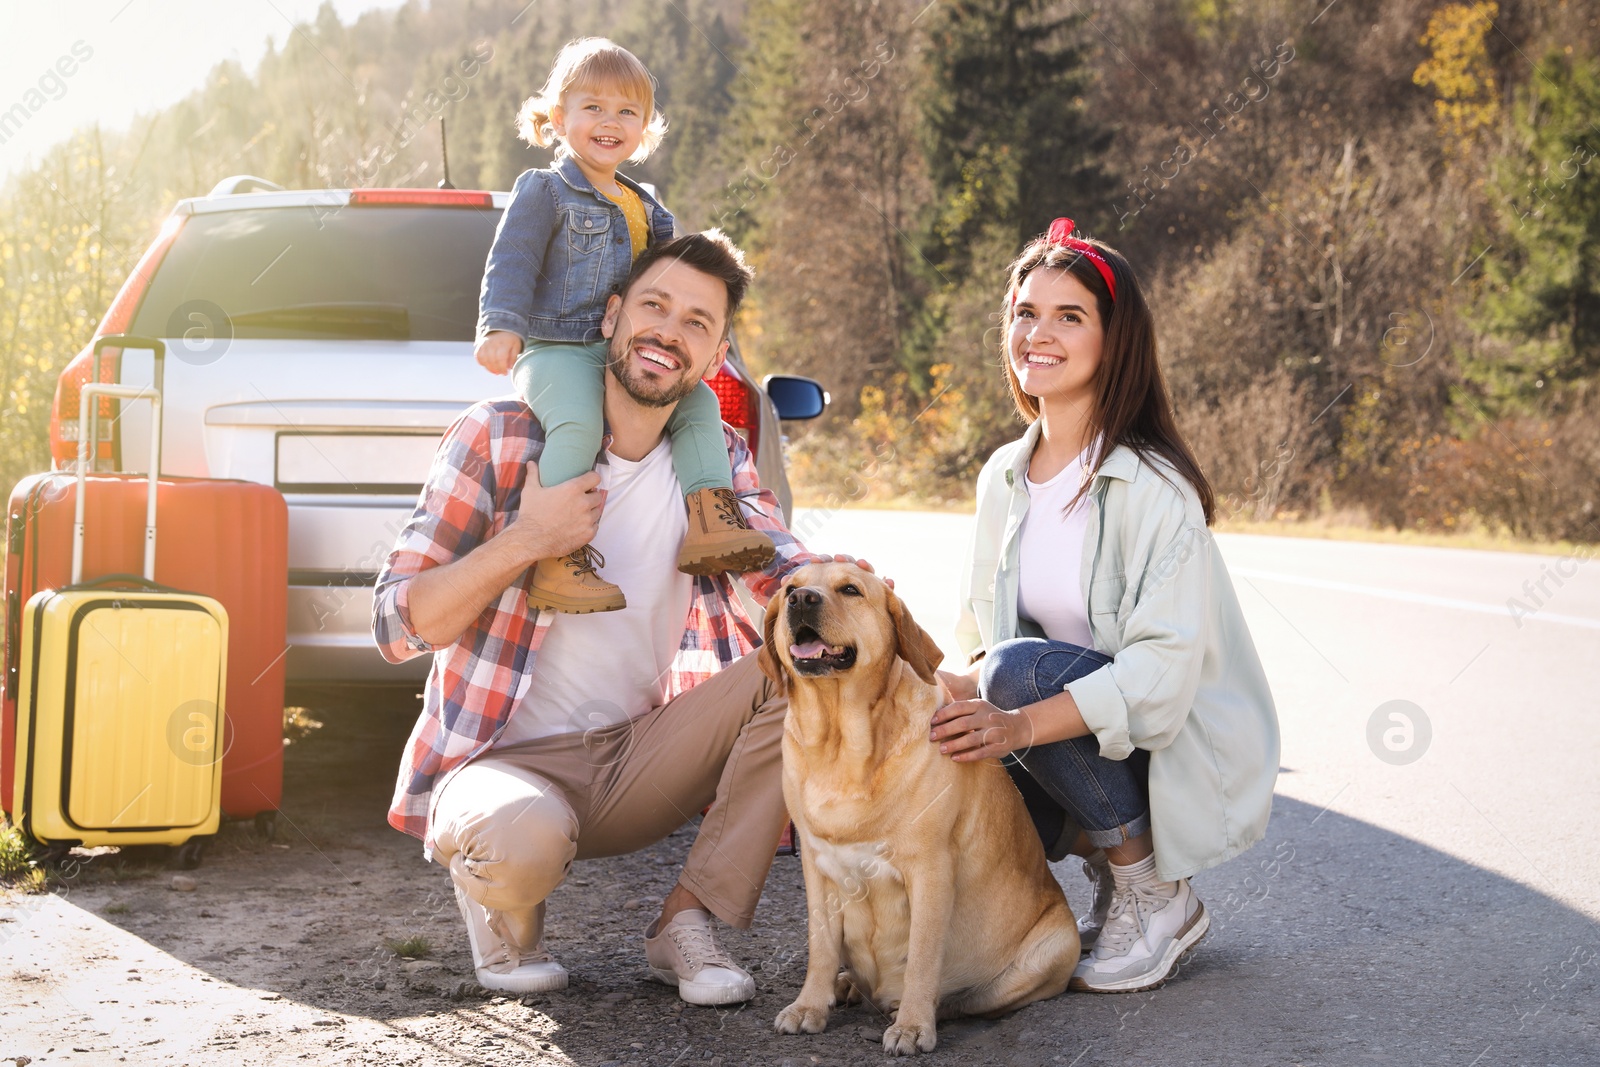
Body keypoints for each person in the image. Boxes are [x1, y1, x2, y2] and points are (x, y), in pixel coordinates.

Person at [374, 231, 857, 1005]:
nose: (670, 331)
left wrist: (851, 596)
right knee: (520, 838)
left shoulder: (715, 461)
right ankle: (503, 900)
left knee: (796, 674)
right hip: (501, 764)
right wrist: (530, 539)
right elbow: (397, 623)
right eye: (655, 306)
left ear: (715, 353)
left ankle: (685, 921)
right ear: (610, 316)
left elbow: (780, 565)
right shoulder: (500, 437)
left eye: (697, 322)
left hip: (636, 757)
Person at [932, 217, 1280, 995]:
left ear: (1113, 339)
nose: (1038, 333)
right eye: (1025, 313)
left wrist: (1014, 722)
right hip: (1071, 728)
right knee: (963, 704)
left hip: (1168, 741)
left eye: (1069, 315)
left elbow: (1156, 680)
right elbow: (977, 645)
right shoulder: (1003, 475)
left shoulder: (1156, 489)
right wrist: (916, 688)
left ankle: (1156, 889)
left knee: (1016, 679)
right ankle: (1093, 883)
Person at [473, 37, 773, 615]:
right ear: (559, 118)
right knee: (580, 426)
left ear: (643, 130)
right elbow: (512, 260)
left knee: (701, 408)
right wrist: (501, 328)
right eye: (593, 108)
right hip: (557, 349)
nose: (609, 122)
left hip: (616, 352)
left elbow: (680, 271)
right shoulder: (545, 191)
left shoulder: (645, 207)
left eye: (626, 112)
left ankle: (712, 517)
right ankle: (557, 557)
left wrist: (718, 261)